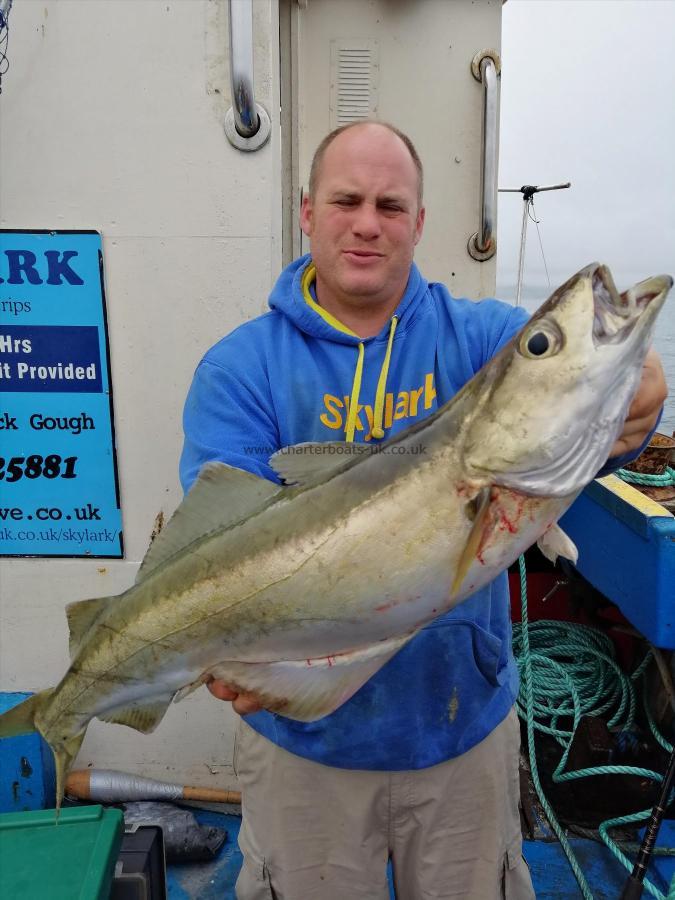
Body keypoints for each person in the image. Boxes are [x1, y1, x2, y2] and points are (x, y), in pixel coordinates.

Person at [180, 121, 668, 900]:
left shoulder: (478, 337)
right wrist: (230, 646)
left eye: (390, 204)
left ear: (418, 222)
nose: (367, 222)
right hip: (303, 745)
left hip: (460, 736)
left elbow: (578, 405)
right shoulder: (241, 369)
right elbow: (219, 541)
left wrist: (638, 389)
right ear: (307, 212)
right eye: (346, 200)